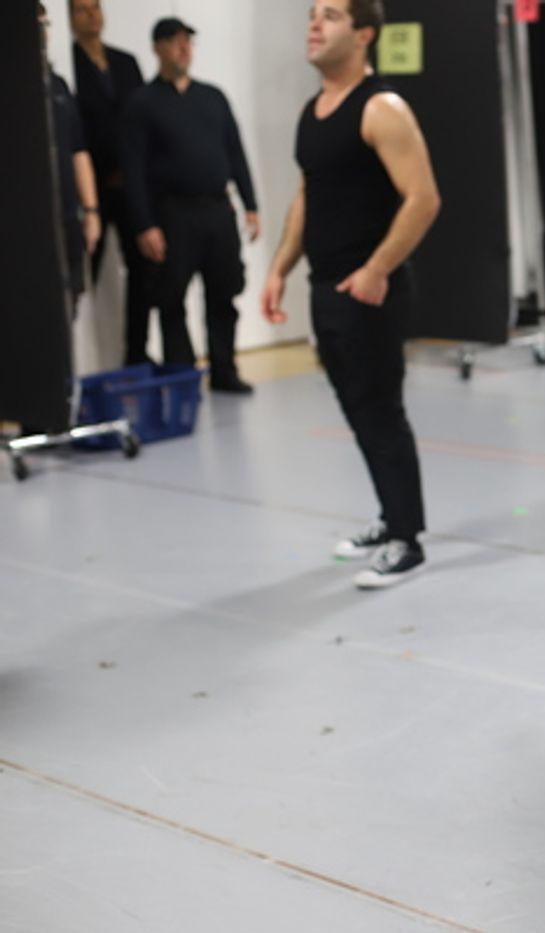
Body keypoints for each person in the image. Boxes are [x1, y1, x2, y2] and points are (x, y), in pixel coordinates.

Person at [260, 0, 440, 590]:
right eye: (313, 14)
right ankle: (391, 517)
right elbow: (308, 195)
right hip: (325, 288)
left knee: (380, 409)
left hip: (368, 291)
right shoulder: (313, 113)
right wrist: (280, 268)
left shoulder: (381, 108)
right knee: (357, 409)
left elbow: (423, 198)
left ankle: (407, 540)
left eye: (331, 15)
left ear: (363, 34)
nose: (314, 23)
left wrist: (376, 269)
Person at [123, 16, 259, 393]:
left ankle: (224, 370)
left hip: (217, 209)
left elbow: (235, 151)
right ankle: (181, 376)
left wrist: (250, 204)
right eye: (173, 41)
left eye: (187, 41)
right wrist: (144, 224)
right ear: (158, 48)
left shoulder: (212, 97)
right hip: (173, 213)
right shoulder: (143, 104)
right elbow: (132, 170)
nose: (183, 47)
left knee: (223, 293)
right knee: (171, 299)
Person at [69, 0, 151, 365]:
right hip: (94, 186)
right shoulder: (69, 64)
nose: (92, 16)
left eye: (96, 8)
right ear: (71, 18)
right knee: (84, 269)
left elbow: (139, 118)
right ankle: (78, 359)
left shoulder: (125, 62)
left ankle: (137, 352)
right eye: (83, 10)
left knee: (143, 270)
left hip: (130, 182)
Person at [41, 1, 101, 307]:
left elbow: (79, 151)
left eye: (45, 24)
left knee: (70, 301)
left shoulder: (58, 85)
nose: (41, 32)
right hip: (29, 224)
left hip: (67, 217)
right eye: (35, 25)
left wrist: (91, 211)